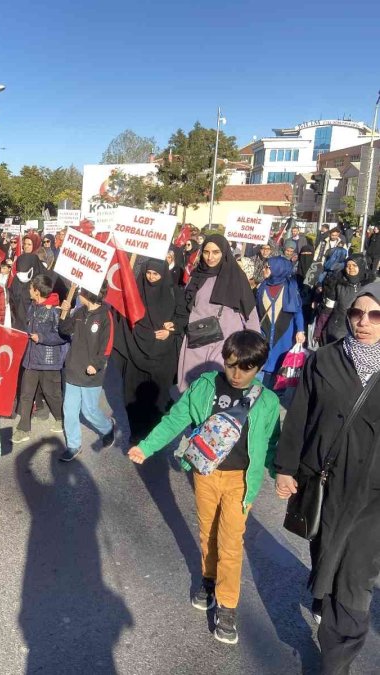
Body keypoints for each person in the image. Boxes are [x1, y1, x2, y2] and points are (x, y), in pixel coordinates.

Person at [129, 330, 281, 646]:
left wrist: (283, 474)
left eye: (246, 368)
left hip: (241, 481)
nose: (237, 374)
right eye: (231, 365)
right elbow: (176, 418)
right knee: (207, 531)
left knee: (230, 542)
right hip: (205, 473)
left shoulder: (267, 402)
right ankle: (208, 579)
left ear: (260, 368)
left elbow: (272, 445)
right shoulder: (204, 386)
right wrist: (147, 446)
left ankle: (227, 605)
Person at [274, 282, 380, 672]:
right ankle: (323, 599)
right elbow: (300, 415)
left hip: (373, 496)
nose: (363, 322)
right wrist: (286, 468)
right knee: (326, 557)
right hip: (325, 481)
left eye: (374, 315)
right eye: (356, 313)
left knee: (356, 576)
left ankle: (336, 661)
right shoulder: (325, 360)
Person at [111, 260, 184, 443]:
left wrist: (171, 329)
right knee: (132, 396)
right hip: (135, 350)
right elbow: (122, 316)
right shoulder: (135, 293)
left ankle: (153, 437)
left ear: (164, 275)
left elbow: (183, 317)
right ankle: (136, 434)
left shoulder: (173, 292)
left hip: (162, 356)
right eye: (148, 273)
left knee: (158, 398)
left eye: (156, 274)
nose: (151, 277)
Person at [177, 235, 260, 391]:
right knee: (192, 386)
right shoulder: (196, 275)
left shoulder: (236, 277)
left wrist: (252, 347)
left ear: (224, 252)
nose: (210, 257)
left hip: (225, 341)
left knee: (218, 386)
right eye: (206, 252)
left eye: (216, 252)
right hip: (197, 339)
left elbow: (250, 314)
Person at [57, 287, 115, 460]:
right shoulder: (80, 312)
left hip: (91, 372)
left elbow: (107, 345)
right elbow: (64, 329)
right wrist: (65, 312)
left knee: (89, 410)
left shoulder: (106, 316)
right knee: (70, 409)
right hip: (74, 368)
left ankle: (107, 428)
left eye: (81, 291)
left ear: (88, 294)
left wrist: (96, 365)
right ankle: (73, 445)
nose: (78, 294)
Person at [13, 274, 67, 444]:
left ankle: (61, 418)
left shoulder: (55, 311)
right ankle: (23, 429)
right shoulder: (33, 307)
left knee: (52, 393)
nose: (28, 290)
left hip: (48, 361)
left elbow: (63, 335)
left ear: (36, 291)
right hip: (31, 358)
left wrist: (42, 337)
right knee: (26, 394)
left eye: (30, 288)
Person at [255, 256, 306, 389]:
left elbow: (298, 311)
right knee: (261, 363)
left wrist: (300, 330)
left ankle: (274, 397)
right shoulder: (262, 286)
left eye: (267, 267)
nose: (264, 270)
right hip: (264, 332)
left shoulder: (290, 287)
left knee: (279, 367)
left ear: (278, 269)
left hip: (284, 334)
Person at [319, 254, 375, 344]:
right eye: (348, 266)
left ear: (361, 266)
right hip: (337, 330)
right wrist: (319, 329)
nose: (351, 268)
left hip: (361, 330)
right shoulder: (338, 285)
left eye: (354, 265)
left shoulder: (369, 287)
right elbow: (327, 309)